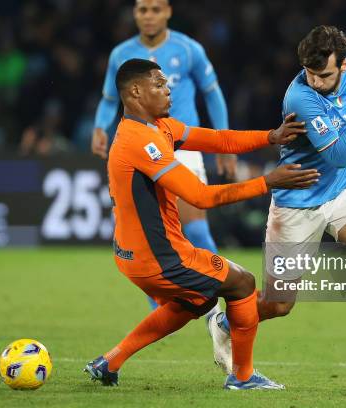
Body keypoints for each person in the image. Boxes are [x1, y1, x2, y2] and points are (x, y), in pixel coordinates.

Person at [210, 25, 346, 379]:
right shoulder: (300, 98)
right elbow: (338, 154)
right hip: (297, 201)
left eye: (323, 74)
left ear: (343, 65)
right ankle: (223, 322)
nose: (315, 80)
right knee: (279, 304)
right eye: (309, 73)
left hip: (342, 190)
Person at [84, 58, 319, 389]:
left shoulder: (159, 127)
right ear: (135, 91)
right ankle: (243, 376)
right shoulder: (139, 141)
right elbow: (200, 197)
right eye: (159, 84)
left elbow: (219, 140)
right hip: (158, 258)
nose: (169, 90)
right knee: (241, 283)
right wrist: (268, 182)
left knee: (197, 300)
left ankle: (110, 361)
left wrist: (271, 136)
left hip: (134, 254)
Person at [92, 0, 233, 312]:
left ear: (168, 12)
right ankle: (162, 312)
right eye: (143, 9)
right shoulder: (121, 54)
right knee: (148, 236)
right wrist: (100, 127)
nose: (149, 16)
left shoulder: (188, 49)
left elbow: (212, 92)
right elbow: (108, 99)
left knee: (195, 227)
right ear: (135, 14)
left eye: (155, 9)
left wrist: (224, 142)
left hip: (182, 147)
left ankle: (223, 303)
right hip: (141, 148)